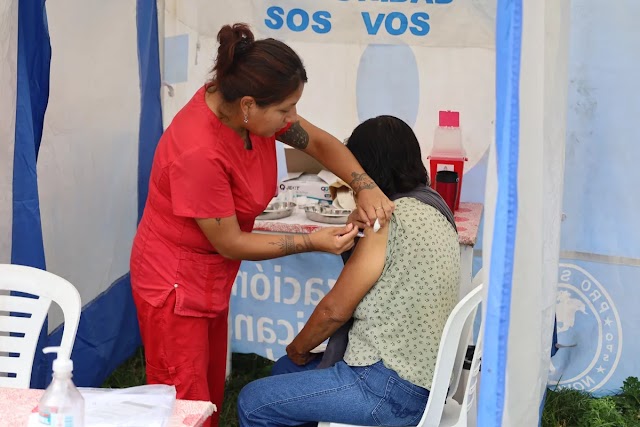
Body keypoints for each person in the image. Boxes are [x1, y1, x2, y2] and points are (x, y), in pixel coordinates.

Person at [129, 23, 396, 427]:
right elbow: (231, 243)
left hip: (208, 275)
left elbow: (321, 144)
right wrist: (312, 241)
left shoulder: (246, 111)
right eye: (285, 111)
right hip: (174, 284)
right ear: (250, 105)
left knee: (207, 396)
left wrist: (365, 187)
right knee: (182, 404)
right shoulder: (198, 152)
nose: (291, 120)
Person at [237, 115, 461, 427]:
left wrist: (298, 349)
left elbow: (333, 311)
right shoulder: (435, 209)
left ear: (367, 168)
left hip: (388, 390)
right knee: (284, 371)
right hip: (427, 382)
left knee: (254, 401)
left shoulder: (385, 220)